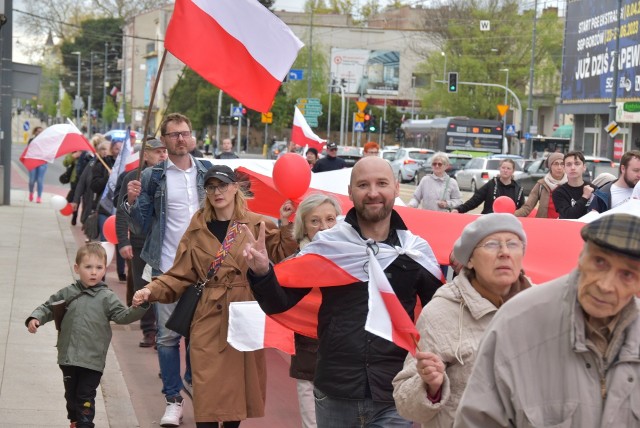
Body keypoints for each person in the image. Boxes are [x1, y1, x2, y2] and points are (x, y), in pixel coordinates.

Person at [244, 156, 443, 428]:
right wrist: (262, 272)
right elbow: (279, 303)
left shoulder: (415, 251)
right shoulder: (329, 246)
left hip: (395, 391)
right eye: (363, 185)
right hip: (336, 390)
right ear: (351, 192)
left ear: (396, 188)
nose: (373, 192)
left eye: (381, 183)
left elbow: (442, 315)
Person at [132, 165, 298, 427]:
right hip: (207, 315)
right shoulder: (197, 227)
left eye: (222, 185)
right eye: (211, 187)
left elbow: (281, 254)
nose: (217, 192)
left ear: (235, 188)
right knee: (206, 394)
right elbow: (179, 274)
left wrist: (287, 224)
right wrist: (150, 289)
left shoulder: (257, 224)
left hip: (244, 314)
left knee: (236, 396)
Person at [454, 213, 640, 427]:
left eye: (627, 275)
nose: (606, 285)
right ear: (581, 258)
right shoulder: (516, 322)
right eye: (599, 262)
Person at [392, 214, 531, 427]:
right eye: (492, 244)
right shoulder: (441, 312)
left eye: (513, 244)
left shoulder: (543, 306)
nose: (504, 253)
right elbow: (405, 403)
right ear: (470, 260)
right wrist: (431, 388)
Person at [123, 113, 211, 426]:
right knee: (167, 337)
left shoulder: (208, 172)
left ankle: (190, 381)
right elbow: (140, 226)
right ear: (164, 140)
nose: (180, 139)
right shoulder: (153, 176)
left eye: (185, 133)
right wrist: (132, 202)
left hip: (205, 269)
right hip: (167, 268)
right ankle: (173, 399)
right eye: (174, 135)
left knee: (200, 336)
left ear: (193, 137)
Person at [25, 242, 148, 428]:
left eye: (99, 268)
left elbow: (123, 316)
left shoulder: (107, 297)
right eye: (88, 267)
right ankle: (75, 421)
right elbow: (48, 307)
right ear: (77, 268)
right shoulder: (68, 292)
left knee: (85, 397)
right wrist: (36, 317)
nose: (93, 272)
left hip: (92, 360)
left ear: (104, 270)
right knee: (71, 396)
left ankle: (85, 424)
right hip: (68, 357)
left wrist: (140, 307)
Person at [288, 193, 342, 428]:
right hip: (309, 354)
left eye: (330, 219)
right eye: (315, 221)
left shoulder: (358, 259)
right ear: (304, 226)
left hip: (347, 356)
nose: (324, 228)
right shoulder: (294, 263)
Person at [115, 138, 168, 347]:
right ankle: (149, 330)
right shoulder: (132, 177)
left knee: (162, 286)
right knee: (142, 286)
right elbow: (122, 211)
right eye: (158, 152)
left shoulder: (169, 176)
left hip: (164, 242)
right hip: (139, 242)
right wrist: (123, 241)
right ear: (145, 154)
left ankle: (163, 329)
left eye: (164, 151)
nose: (163, 155)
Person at [452, 159, 524, 214]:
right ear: (499, 169)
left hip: (509, 224)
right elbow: (475, 200)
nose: (505, 170)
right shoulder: (491, 184)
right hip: (489, 221)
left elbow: (522, 209)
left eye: (508, 168)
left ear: (513, 171)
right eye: (503, 168)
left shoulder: (518, 190)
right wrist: (459, 209)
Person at [514, 152, 566, 218]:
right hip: (543, 225)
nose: (559, 167)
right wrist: (511, 216)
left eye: (562, 164)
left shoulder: (570, 185)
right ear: (550, 166)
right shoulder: (541, 185)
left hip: (564, 225)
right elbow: (527, 207)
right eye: (556, 164)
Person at [552, 151, 594, 219]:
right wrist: (585, 197)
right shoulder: (559, 192)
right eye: (569, 164)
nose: (573, 168)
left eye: (577, 164)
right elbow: (569, 216)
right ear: (564, 168)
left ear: (584, 167)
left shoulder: (593, 189)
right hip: (569, 228)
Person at [27, 126, 45, 203]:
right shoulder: (31, 140)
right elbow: (28, 151)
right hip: (33, 161)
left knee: (40, 180)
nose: (39, 133)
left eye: (41, 131)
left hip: (42, 162)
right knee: (32, 180)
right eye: (38, 131)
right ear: (35, 132)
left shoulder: (45, 141)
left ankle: (39, 197)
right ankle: (31, 192)